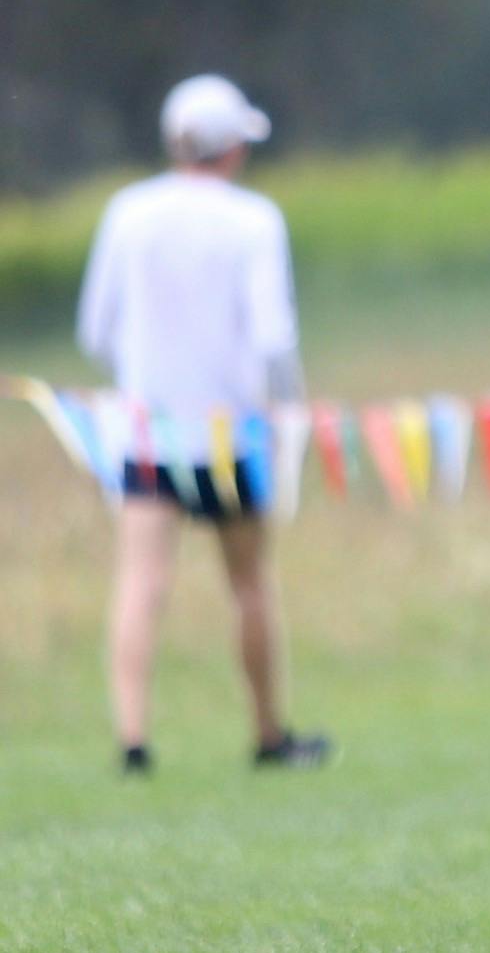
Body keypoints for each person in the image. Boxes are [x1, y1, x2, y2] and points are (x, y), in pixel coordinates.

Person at [76, 75, 331, 775]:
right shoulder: (254, 220)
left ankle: (133, 739)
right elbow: (274, 340)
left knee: (141, 582)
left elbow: (95, 330)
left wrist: (144, 380)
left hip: (147, 432)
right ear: (233, 148)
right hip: (231, 436)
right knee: (249, 582)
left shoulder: (128, 212)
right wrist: (286, 411)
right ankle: (268, 732)